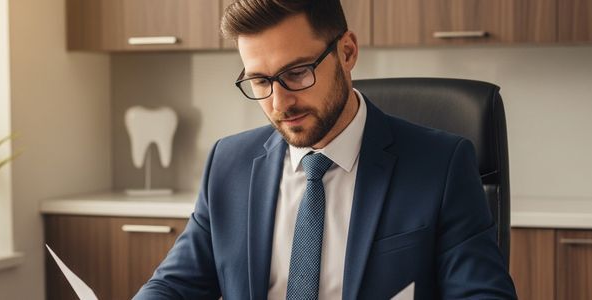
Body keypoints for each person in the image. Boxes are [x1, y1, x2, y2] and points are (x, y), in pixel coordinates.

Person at [134, 0, 517, 299]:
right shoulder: (228, 164)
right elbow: (174, 286)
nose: (280, 102)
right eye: (259, 81)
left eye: (297, 72)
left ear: (347, 52)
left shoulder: (441, 166)